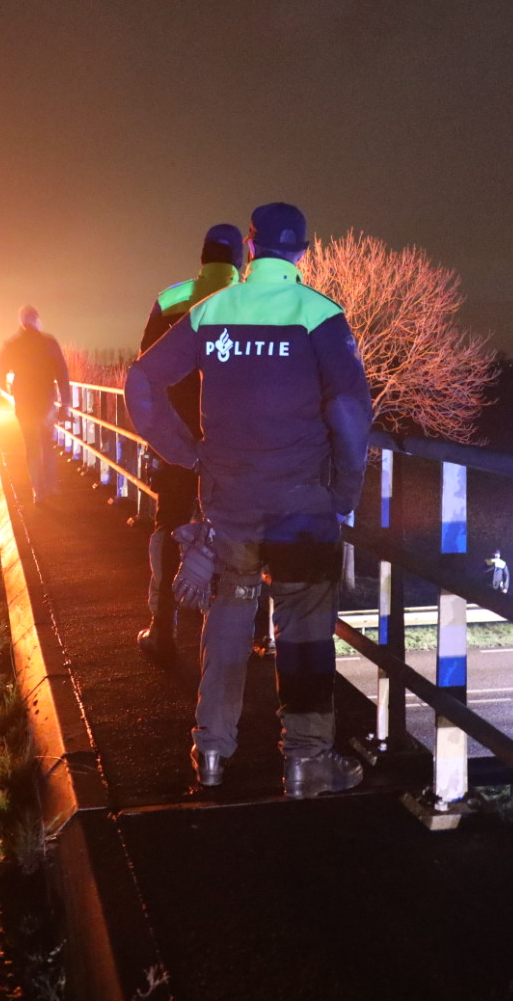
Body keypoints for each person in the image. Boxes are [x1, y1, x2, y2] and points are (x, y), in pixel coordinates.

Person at [126, 202, 374, 799]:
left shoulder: (212, 309)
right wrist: (343, 491)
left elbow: (142, 381)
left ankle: (211, 752)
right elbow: (348, 409)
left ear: (251, 245)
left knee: (230, 623)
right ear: (303, 252)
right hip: (303, 508)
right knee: (305, 632)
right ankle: (306, 761)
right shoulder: (320, 315)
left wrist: (189, 454)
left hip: (230, 504)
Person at [134, 223, 245, 664]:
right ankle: (238, 639)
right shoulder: (253, 302)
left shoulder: (170, 298)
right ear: (239, 260)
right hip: (236, 440)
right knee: (236, 531)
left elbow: (147, 367)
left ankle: (162, 628)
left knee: (169, 524)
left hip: (179, 438)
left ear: (202, 257)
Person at [0, 305, 71, 505]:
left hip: (24, 403)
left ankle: (38, 491)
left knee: (31, 446)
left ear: (21, 321)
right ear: (37, 319)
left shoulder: (13, 345)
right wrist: (66, 402)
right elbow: (62, 373)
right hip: (46, 401)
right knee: (47, 444)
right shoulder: (48, 343)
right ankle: (51, 485)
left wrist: (10, 391)